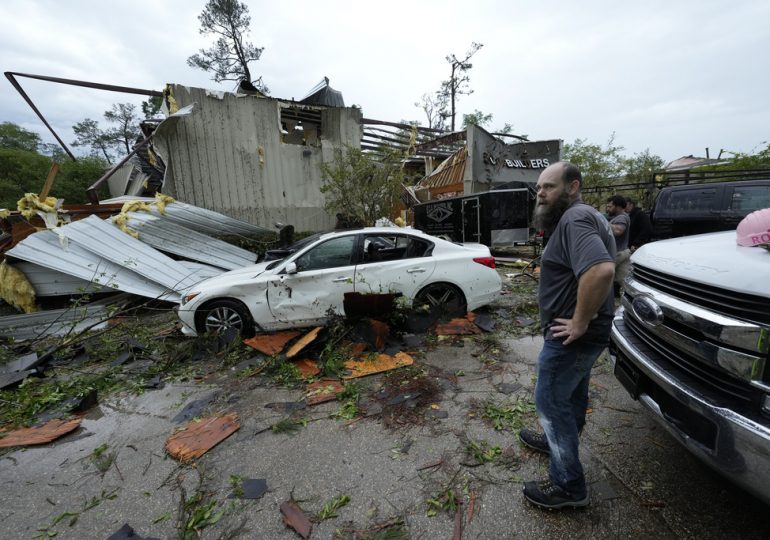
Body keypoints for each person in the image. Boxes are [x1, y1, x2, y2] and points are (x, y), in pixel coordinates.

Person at [518, 162, 615, 509]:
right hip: (587, 332)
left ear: (573, 187)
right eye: (539, 188)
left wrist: (579, 321)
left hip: (573, 335)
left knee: (549, 402)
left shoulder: (575, 218)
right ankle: (554, 440)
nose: (541, 193)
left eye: (549, 186)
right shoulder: (588, 216)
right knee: (571, 397)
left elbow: (602, 269)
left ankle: (568, 487)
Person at [606, 195, 630, 296]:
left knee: (602, 277)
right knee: (624, 281)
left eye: (610, 206)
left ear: (618, 207)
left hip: (617, 253)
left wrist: (601, 222)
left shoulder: (622, 217)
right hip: (623, 251)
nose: (608, 208)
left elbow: (618, 230)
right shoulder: (620, 217)